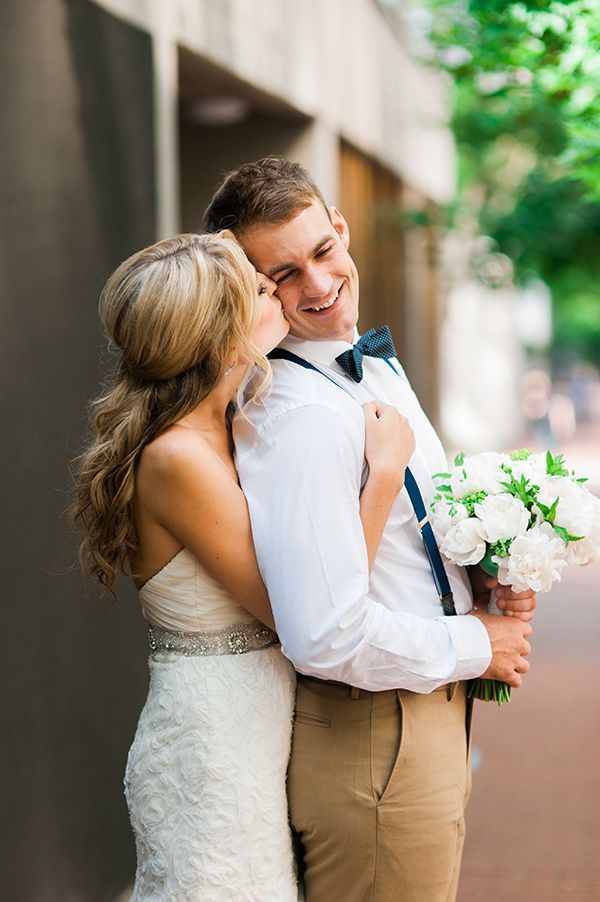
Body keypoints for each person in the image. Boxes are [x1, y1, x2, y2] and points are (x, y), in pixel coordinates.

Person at [202, 158, 536, 902]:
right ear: (250, 290)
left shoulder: (367, 368)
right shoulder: (300, 417)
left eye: (322, 252)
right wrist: (481, 641)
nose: (318, 287)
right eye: (283, 275)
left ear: (342, 229)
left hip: (413, 722)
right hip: (376, 739)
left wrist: (475, 572)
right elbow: (322, 633)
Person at [71, 231, 415, 900]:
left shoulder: (231, 426)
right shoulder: (177, 458)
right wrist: (384, 478)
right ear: (218, 338)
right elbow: (299, 612)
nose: (278, 289)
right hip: (213, 750)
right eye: (260, 288)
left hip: (256, 731)